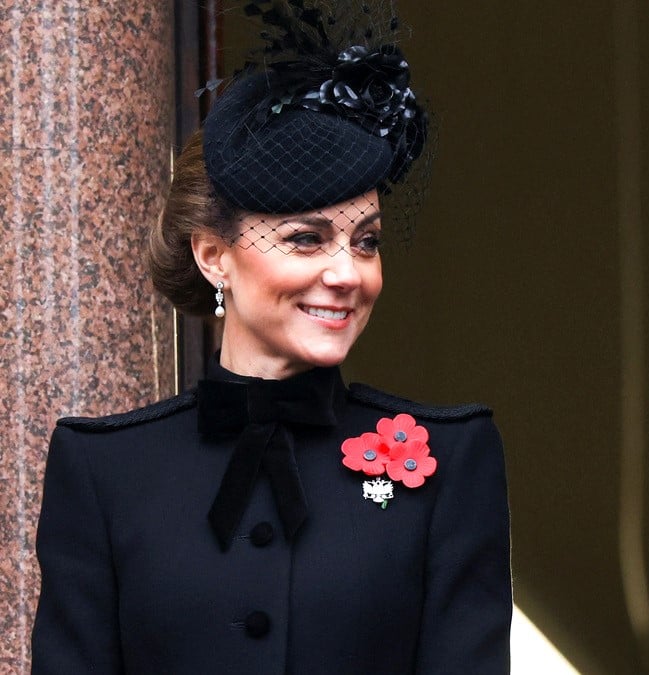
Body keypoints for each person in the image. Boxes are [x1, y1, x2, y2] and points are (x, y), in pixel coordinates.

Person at [32, 3, 511, 673]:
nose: (346, 272)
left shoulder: (452, 461)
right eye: (305, 238)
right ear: (213, 255)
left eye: (366, 241)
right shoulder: (103, 469)